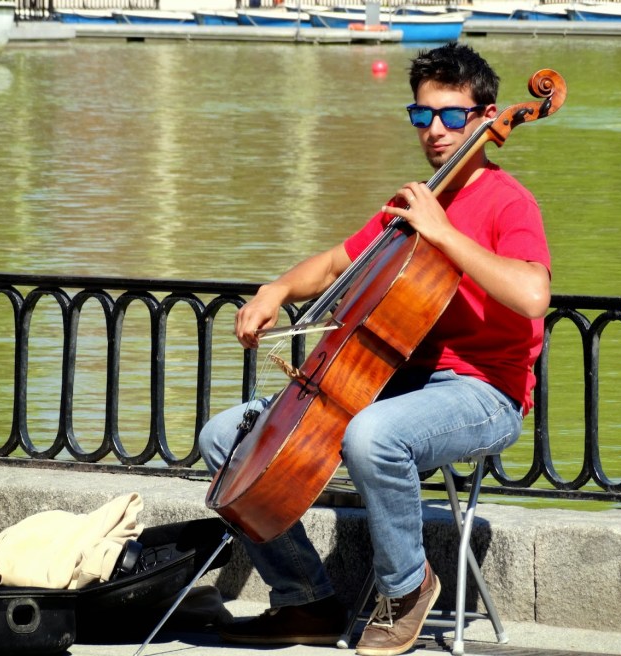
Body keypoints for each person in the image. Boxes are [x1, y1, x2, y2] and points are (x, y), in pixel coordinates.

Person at [198, 42, 551, 656]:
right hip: (394, 376)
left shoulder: (507, 202)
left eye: (450, 115)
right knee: (226, 439)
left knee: (374, 436)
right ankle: (305, 600)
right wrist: (276, 288)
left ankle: (408, 589)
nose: (434, 130)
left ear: (485, 117)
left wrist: (442, 232)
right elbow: (339, 261)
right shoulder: (414, 198)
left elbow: (532, 295)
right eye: (421, 116)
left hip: (482, 390)